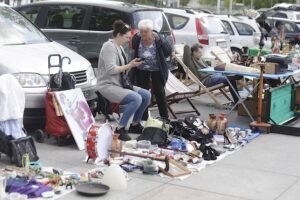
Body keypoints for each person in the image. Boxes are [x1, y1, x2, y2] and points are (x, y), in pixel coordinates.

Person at [97, 20, 151, 141]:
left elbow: (122, 69)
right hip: (107, 85)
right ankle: (120, 128)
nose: (128, 40)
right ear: (119, 35)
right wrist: (130, 65)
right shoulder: (108, 46)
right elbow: (111, 70)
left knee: (146, 95)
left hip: (119, 84)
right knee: (136, 98)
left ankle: (135, 125)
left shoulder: (119, 47)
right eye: (127, 37)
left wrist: (133, 64)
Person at [132, 19, 172, 121]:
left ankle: (164, 118)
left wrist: (162, 42)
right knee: (143, 93)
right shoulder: (136, 38)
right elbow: (133, 50)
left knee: (159, 92)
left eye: (146, 31)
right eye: (141, 31)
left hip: (157, 70)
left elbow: (168, 51)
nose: (143, 34)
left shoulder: (158, 39)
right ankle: (144, 117)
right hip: (141, 69)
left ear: (151, 31)